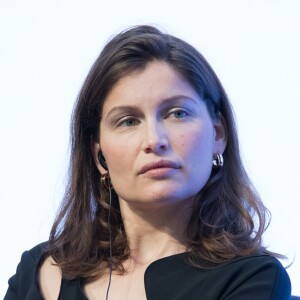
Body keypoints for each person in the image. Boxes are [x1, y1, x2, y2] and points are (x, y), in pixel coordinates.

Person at [5, 25, 291, 300]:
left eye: (177, 114)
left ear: (218, 134)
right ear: (99, 156)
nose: (154, 140)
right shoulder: (40, 272)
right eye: (128, 121)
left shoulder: (253, 278)